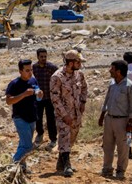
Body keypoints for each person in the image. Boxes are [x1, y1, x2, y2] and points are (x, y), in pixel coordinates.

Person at [98, 60, 132, 180]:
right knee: (107, 145)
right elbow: (106, 100)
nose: (110, 70)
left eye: (112, 68)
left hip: (123, 121)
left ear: (119, 71)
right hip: (109, 119)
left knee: (123, 147)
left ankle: (121, 170)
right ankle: (107, 169)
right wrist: (102, 115)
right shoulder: (112, 84)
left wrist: (130, 124)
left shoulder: (131, 86)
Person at [50, 49, 88, 177]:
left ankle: (61, 162)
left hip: (76, 114)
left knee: (71, 138)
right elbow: (55, 98)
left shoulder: (79, 75)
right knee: (64, 137)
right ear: (71, 63)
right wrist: (64, 115)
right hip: (63, 115)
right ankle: (67, 165)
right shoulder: (57, 77)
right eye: (78, 62)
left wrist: (83, 102)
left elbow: (84, 87)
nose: (80, 64)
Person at [6, 59, 43, 169]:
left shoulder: (33, 81)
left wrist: (40, 95)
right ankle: (12, 165)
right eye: (27, 70)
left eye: (31, 70)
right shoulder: (14, 84)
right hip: (20, 118)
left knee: (24, 144)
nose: (30, 72)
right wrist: (23, 94)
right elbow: (8, 101)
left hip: (32, 117)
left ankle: (22, 166)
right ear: (20, 71)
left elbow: (38, 98)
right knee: (27, 145)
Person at [32, 48, 58, 149]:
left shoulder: (52, 67)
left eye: (45, 56)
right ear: (37, 57)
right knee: (37, 118)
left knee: (51, 119)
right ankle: (40, 134)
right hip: (38, 98)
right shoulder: (34, 68)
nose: (43, 58)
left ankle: (53, 139)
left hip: (49, 98)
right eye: (41, 56)